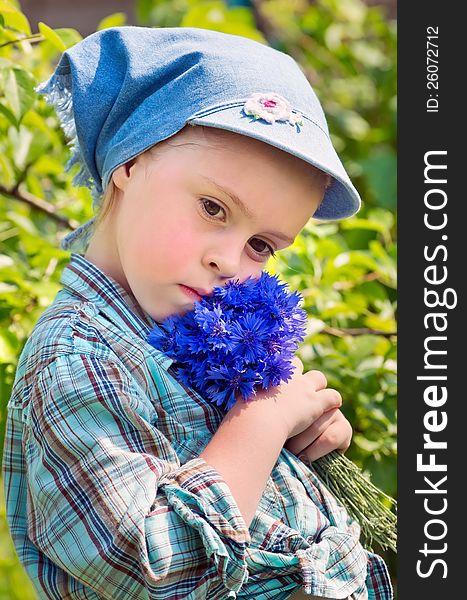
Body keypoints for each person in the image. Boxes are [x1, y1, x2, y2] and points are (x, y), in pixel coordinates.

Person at [2, 26, 392, 599]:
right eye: (214, 208)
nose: (230, 261)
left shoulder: (192, 333)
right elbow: (150, 566)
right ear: (131, 162)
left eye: (262, 245)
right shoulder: (76, 359)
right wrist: (258, 426)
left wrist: (295, 446)